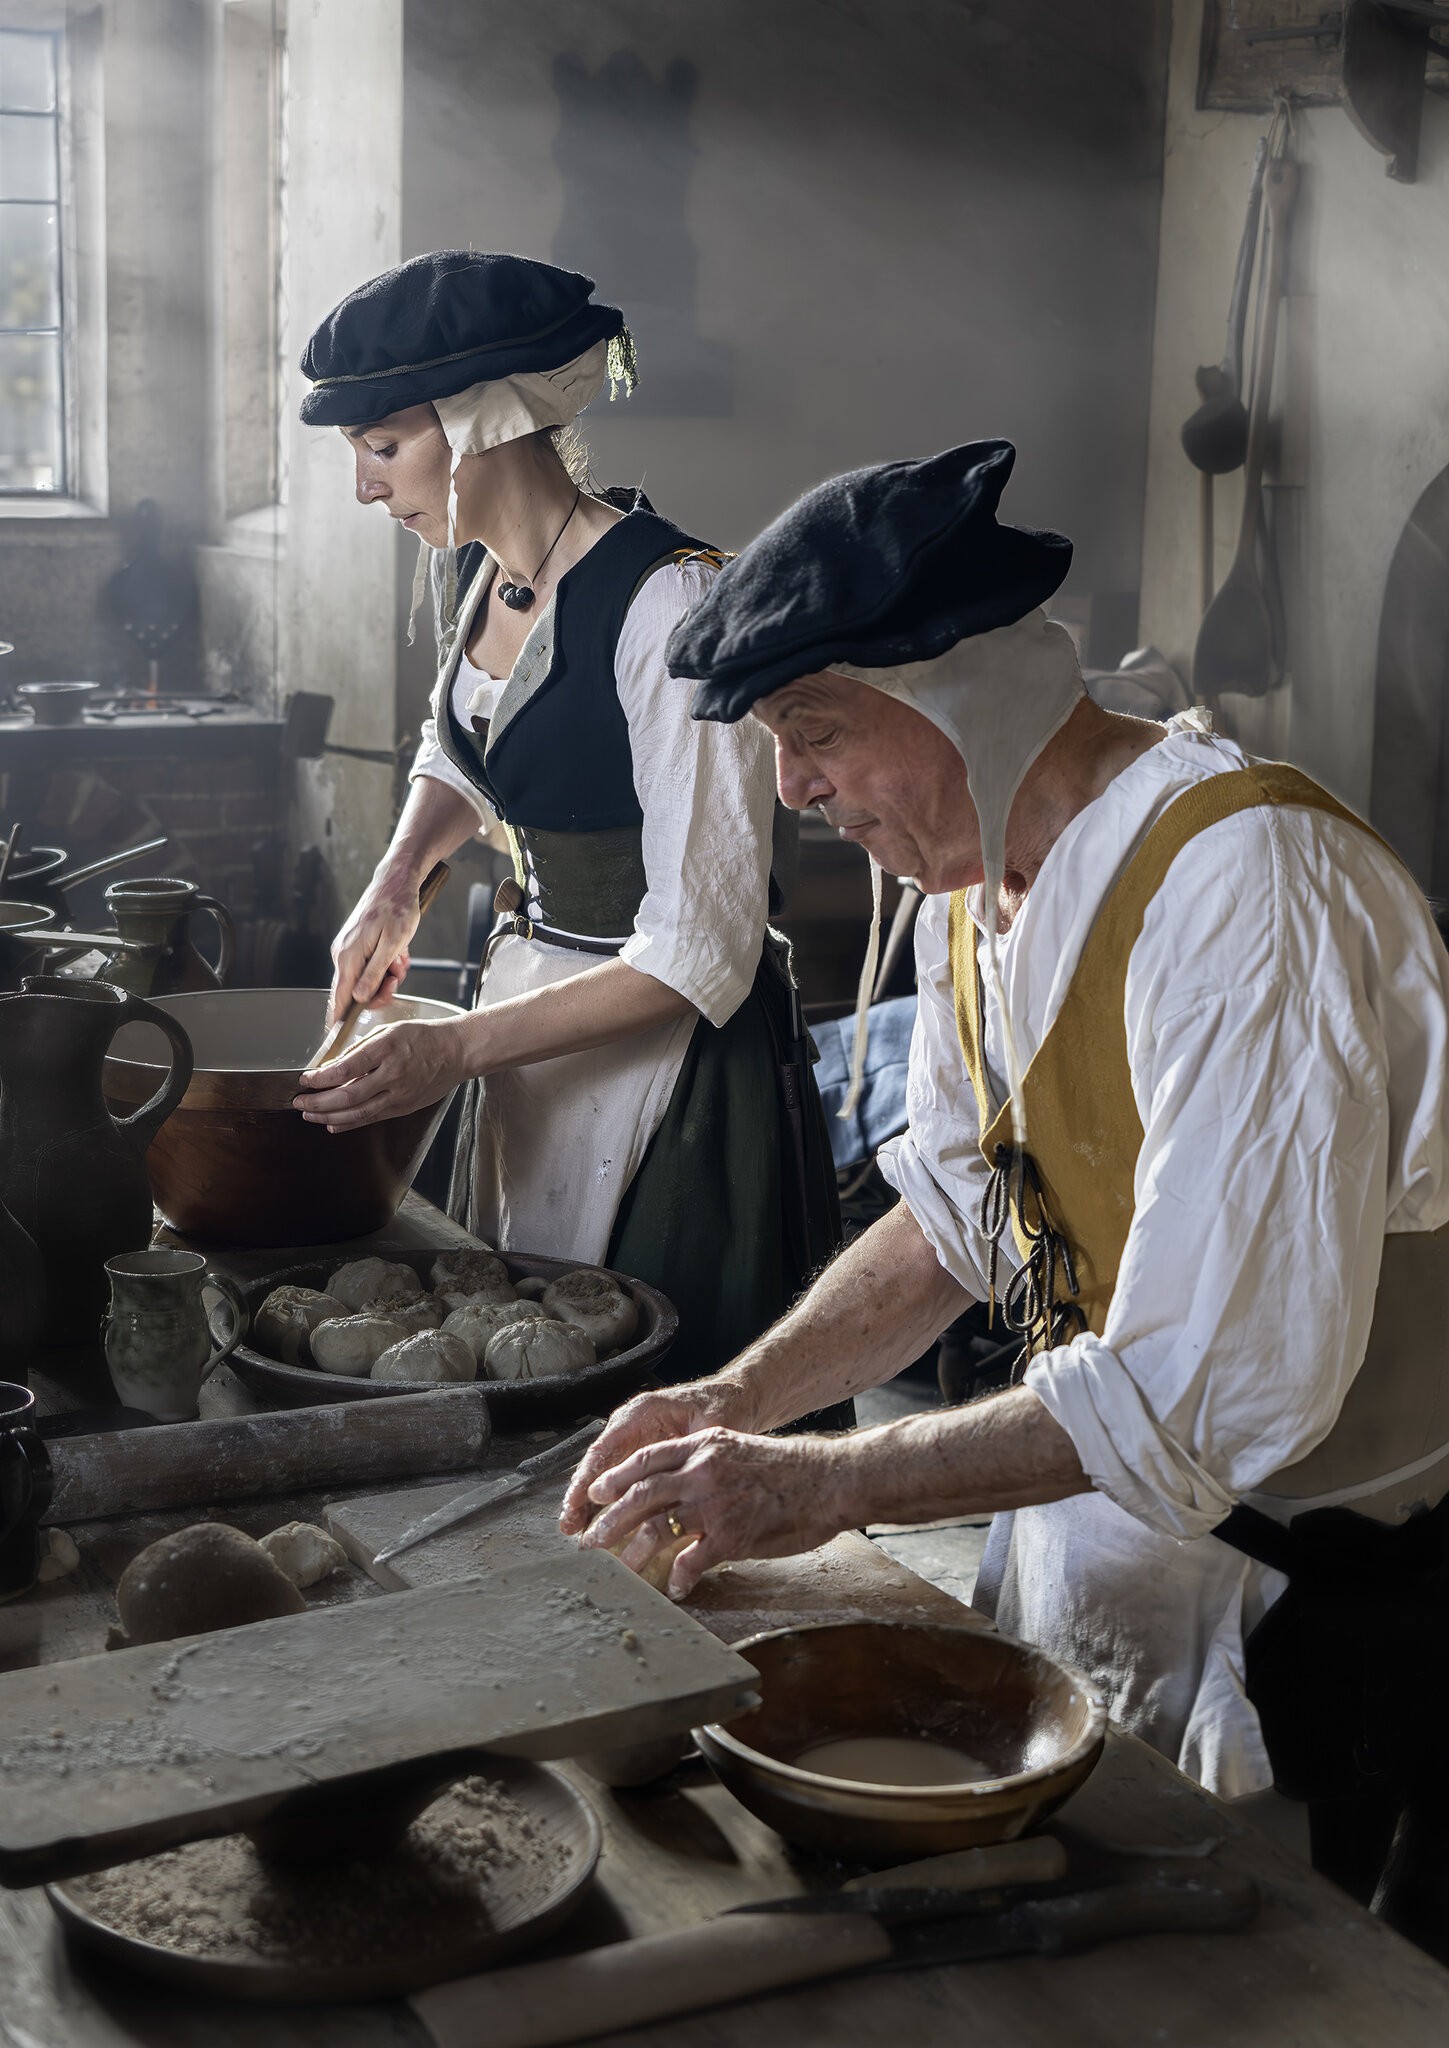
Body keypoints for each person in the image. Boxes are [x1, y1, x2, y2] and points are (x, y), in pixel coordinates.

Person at [562, 439, 1449, 1937]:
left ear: (960, 693)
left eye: (814, 729)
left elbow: (1189, 1390)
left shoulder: (1249, 891)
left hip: (1316, 1603)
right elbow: (963, 1221)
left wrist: (822, 1482)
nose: (792, 789)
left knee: (1279, 1986)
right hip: (1095, 1544)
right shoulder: (976, 892)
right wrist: (737, 1403)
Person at [292, 251, 839, 1375]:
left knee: (641, 1390)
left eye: (382, 447)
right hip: (529, 1030)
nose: (363, 486)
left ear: (483, 420)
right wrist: (398, 882)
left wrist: (454, 1049)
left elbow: (702, 949)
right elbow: (461, 746)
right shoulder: (485, 571)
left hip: (672, 1065)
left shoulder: (674, 604)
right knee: (515, 1359)